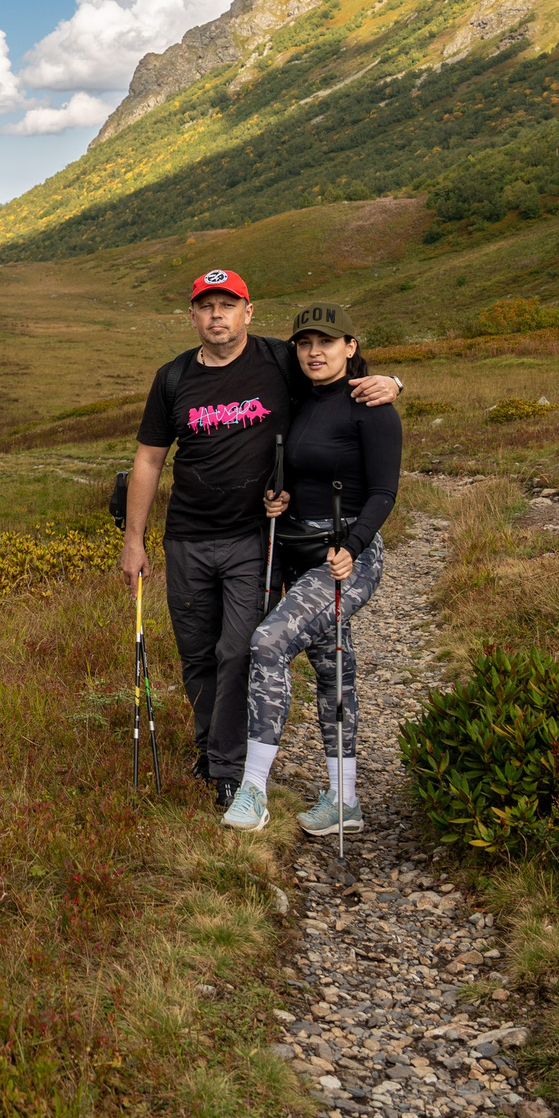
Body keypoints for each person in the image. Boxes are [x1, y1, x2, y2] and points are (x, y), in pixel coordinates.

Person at [119, 272, 400, 809]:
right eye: (206, 307)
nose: (217, 316)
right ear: (193, 316)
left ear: (249, 312)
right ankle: (213, 755)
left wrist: (393, 382)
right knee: (199, 654)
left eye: (228, 305)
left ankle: (236, 774)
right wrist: (135, 540)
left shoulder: (276, 362)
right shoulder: (174, 377)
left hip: (255, 540)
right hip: (198, 538)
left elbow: (339, 383)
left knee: (243, 649)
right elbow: (150, 458)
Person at [221, 301, 403, 834]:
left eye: (326, 342)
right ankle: (344, 801)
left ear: (350, 346)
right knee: (332, 666)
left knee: (270, 640)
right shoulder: (298, 398)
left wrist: (356, 543)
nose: (314, 352)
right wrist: (278, 496)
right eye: (304, 343)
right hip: (296, 550)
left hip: (348, 557)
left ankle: (253, 791)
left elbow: (384, 491)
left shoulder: (372, 407)